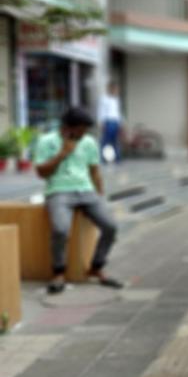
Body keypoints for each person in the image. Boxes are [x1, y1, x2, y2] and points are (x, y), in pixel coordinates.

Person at [34, 107, 124, 294]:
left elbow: (94, 171)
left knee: (111, 226)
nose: (84, 133)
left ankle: (96, 266)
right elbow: (41, 173)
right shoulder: (46, 141)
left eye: (86, 130)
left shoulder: (89, 142)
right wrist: (62, 154)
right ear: (67, 128)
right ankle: (58, 272)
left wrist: (100, 195)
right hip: (58, 191)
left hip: (86, 190)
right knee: (60, 229)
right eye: (81, 129)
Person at [98, 82, 123, 162]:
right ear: (111, 89)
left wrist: (120, 123)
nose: (117, 91)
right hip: (108, 122)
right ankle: (102, 158)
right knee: (105, 141)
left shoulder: (116, 100)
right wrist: (101, 123)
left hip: (116, 122)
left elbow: (118, 113)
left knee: (115, 141)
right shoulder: (104, 99)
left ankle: (117, 158)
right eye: (115, 89)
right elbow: (101, 111)